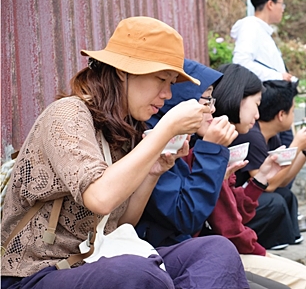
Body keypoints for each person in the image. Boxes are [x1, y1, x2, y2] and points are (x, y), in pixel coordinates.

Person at [1, 17, 249, 289]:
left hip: (99, 257)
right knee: (135, 271)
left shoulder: (122, 129)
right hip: (35, 275)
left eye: (171, 83)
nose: (167, 94)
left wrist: (154, 171)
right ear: (123, 72)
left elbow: (120, 223)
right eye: (161, 79)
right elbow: (100, 198)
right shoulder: (68, 115)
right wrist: (166, 129)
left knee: (215, 250)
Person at [137, 59, 290, 289]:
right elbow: (194, 218)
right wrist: (211, 153)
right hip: (175, 255)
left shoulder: (191, 141)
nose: (212, 109)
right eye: (206, 99)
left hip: (193, 250)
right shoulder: (168, 142)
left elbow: (230, 215)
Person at [188, 64, 306, 289]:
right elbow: (229, 224)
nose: (211, 111)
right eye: (206, 101)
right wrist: (297, 146)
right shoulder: (216, 144)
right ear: (237, 98)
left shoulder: (221, 141)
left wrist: (300, 152)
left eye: (212, 102)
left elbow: (238, 205)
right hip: (204, 251)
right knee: (305, 279)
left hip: (214, 245)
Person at [230, 79, 306, 250]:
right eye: (293, 110)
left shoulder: (272, 136)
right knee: (274, 201)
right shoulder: (252, 136)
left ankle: (288, 240)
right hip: (235, 205)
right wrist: (296, 145)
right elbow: (268, 185)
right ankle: (267, 243)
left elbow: (282, 180)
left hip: (249, 196)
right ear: (281, 115)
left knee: (287, 196)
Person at [231, 0, 296, 147]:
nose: (283, 9)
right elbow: (241, 62)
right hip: (268, 107)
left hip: (276, 105)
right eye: (281, 4)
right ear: (270, 4)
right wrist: (278, 76)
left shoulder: (260, 29)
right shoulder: (250, 27)